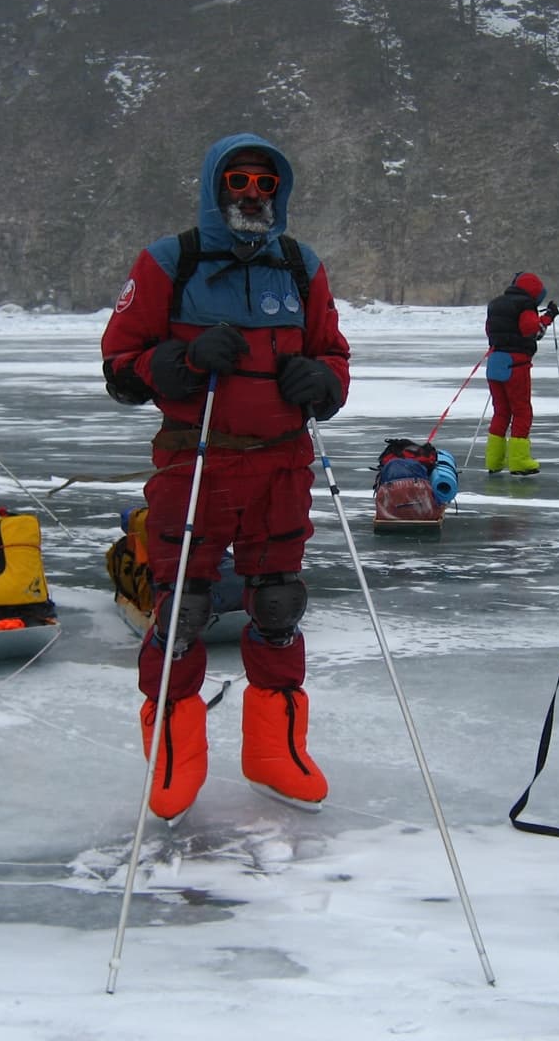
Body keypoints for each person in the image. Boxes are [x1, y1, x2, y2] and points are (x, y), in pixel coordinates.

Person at [101, 133, 351, 820]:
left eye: (264, 185)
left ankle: (276, 751)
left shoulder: (301, 268)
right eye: (238, 182)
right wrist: (178, 362)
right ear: (217, 187)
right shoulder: (169, 262)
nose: (250, 195)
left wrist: (323, 381)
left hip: (283, 464)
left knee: (278, 607)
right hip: (196, 460)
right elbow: (120, 366)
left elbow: (334, 352)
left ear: (280, 193)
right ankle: (173, 757)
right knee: (181, 610)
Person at [484, 272, 558, 475]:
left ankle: (494, 460)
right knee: (522, 411)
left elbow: (490, 330)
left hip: (495, 363)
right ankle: (519, 461)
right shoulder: (525, 305)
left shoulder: (495, 304)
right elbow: (531, 330)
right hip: (515, 365)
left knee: (501, 412)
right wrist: (548, 317)